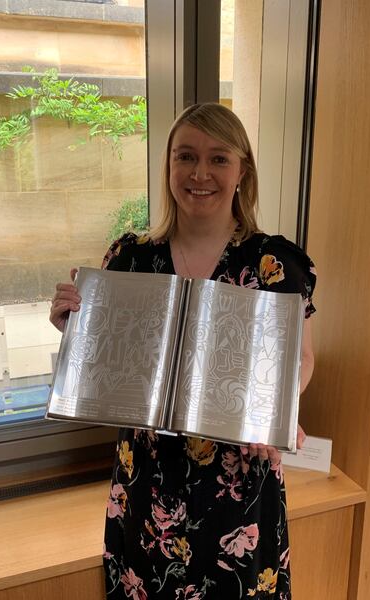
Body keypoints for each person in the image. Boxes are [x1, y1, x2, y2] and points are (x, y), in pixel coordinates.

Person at [49, 103, 316, 599]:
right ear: (168, 166)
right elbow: (110, 363)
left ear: (242, 171)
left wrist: (278, 409)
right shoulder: (130, 258)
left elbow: (301, 359)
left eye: (218, 159)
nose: (200, 173)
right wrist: (75, 331)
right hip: (147, 483)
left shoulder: (273, 264)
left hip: (236, 487)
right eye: (185, 156)